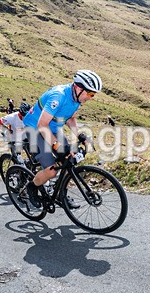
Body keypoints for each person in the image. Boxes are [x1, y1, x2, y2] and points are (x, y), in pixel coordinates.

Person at [22, 70, 100, 207]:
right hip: (35, 128)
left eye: (93, 94)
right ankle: (31, 187)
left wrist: (80, 136)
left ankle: (60, 194)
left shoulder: (77, 98)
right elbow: (42, 124)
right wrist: (57, 145)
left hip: (51, 128)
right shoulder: (58, 96)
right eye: (90, 94)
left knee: (67, 162)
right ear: (78, 88)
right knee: (51, 170)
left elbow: (71, 118)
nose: (91, 97)